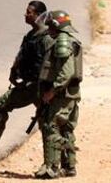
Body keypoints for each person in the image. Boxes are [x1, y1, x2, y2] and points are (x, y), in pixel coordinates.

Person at [0, 0, 49, 159]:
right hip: (28, 85)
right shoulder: (31, 36)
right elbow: (22, 56)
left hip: (38, 87)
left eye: (29, 12)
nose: (26, 14)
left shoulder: (46, 38)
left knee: (48, 123)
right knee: (45, 122)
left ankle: (57, 162)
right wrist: (13, 72)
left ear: (38, 16)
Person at [34, 10, 82, 179]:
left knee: (51, 125)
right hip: (70, 95)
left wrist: (52, 91)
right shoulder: (69, 40)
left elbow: (66, 72)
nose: (47, 28)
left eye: (49, 25)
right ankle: (69, 166)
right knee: (66, 128)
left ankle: (51, 168)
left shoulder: (62, 41)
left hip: (61, 95)